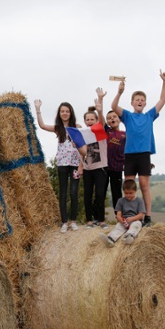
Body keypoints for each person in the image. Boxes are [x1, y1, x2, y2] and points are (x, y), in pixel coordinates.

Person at [111, 70, 165, 227]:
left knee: (144, 185)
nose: (140, 101)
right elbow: (113, 106)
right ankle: (127, 217)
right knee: (128, 185)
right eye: (137, 99)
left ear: (145, 103)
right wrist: (119, 92)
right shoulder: (127, 116)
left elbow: (162, 100)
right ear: (132, 103)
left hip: (143, 155)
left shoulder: (149, 115)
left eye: (143, 100)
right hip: (129, 155)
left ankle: (147, 217)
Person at [35, 99, 83, 233]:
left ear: (71, 113)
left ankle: (73, 221)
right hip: (62, 163)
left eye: (67, 111)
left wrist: (81, 165)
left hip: (75, 164)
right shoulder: (58, 128)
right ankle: (65, 222)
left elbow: (84, 146)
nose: (65, 113)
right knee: (63, 193)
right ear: (59, 113)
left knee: (74, 193)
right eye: (62, 111)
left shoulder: (77, 127)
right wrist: (38, 109)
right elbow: (43, 126)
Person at [80, 88, 109, 229]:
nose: (90, 121)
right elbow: (83, 152)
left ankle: (101, 220)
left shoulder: (101, 130)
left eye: (92, 119)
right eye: (88, 120)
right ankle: (89, 220)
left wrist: (100, 108)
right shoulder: (83, 134)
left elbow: (102, 121)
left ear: (96, 120)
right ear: (85, 121)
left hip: (100, 167)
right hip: (87, 168)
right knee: (87, 194)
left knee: (99, 194)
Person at [99, 179, 146, 247]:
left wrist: (132, 219)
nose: (128, 195)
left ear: (135, 191)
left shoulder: (139, 201)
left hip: (135, 220)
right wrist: (120, 220)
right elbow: (118, 214)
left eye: (131, 193)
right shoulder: (120, 201)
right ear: (123, 191)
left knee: (136, 225)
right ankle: (110, 239)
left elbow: (141, 215)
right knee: (118, 227)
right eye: (126, 193)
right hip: (124, 221)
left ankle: (129, 236)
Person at [105, 110, 126, 211]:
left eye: (114, 116)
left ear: (120, 119)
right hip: (104, 167)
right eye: (109, 118)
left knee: (116, 193)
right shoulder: (107, 131)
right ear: (107, 122)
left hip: (117, 167)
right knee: (101, 192)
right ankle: (98, 217)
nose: (112, 119)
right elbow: (100, 118)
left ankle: (119, 215)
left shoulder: (125, 134)